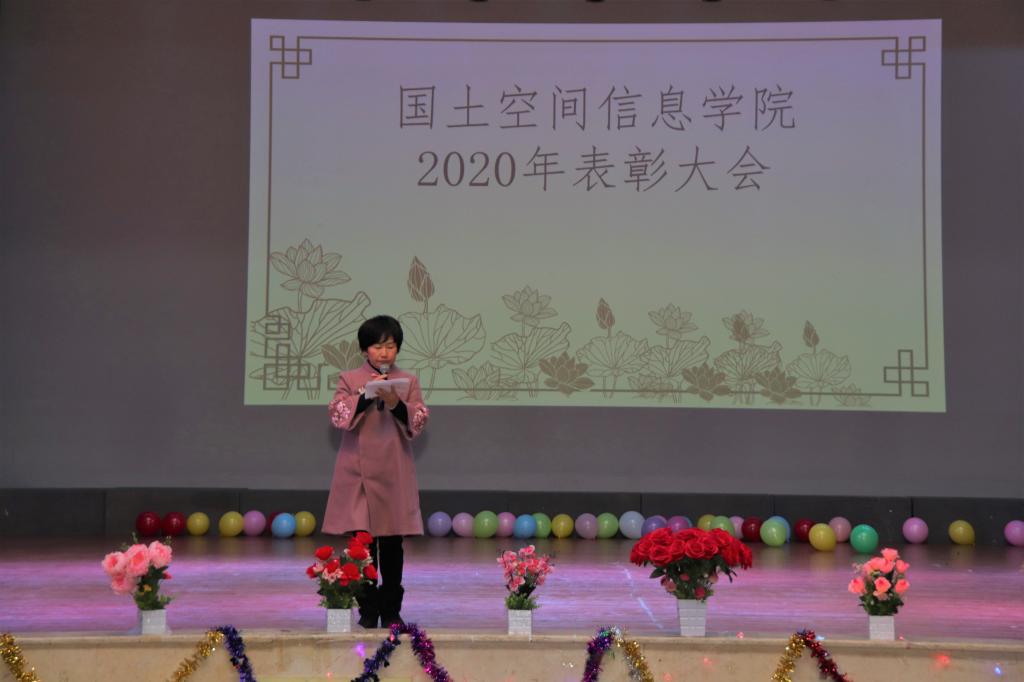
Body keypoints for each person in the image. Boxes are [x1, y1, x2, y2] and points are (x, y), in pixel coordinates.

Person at [322, 315, 429, 628]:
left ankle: (392, 609)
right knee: (362, 545)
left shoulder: (407, 380)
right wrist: (366, 395)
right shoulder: (349, 378)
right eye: (377, 346)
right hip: (358, 472)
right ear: (364, 349)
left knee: (393, 544)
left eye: (390, 346)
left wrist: (396, 403)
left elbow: (419, 419)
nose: (384, 353)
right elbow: (338, 414)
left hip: (394, 470)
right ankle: (368, 609)